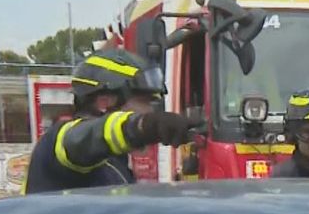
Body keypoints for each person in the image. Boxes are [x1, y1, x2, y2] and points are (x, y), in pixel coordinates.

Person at [24, 48, 194, 194]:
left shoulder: (113, 163)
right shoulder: (60, 142)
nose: (150, 110)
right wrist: (143, 126)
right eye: (145, 101)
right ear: (105, 102)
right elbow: (86, 138)